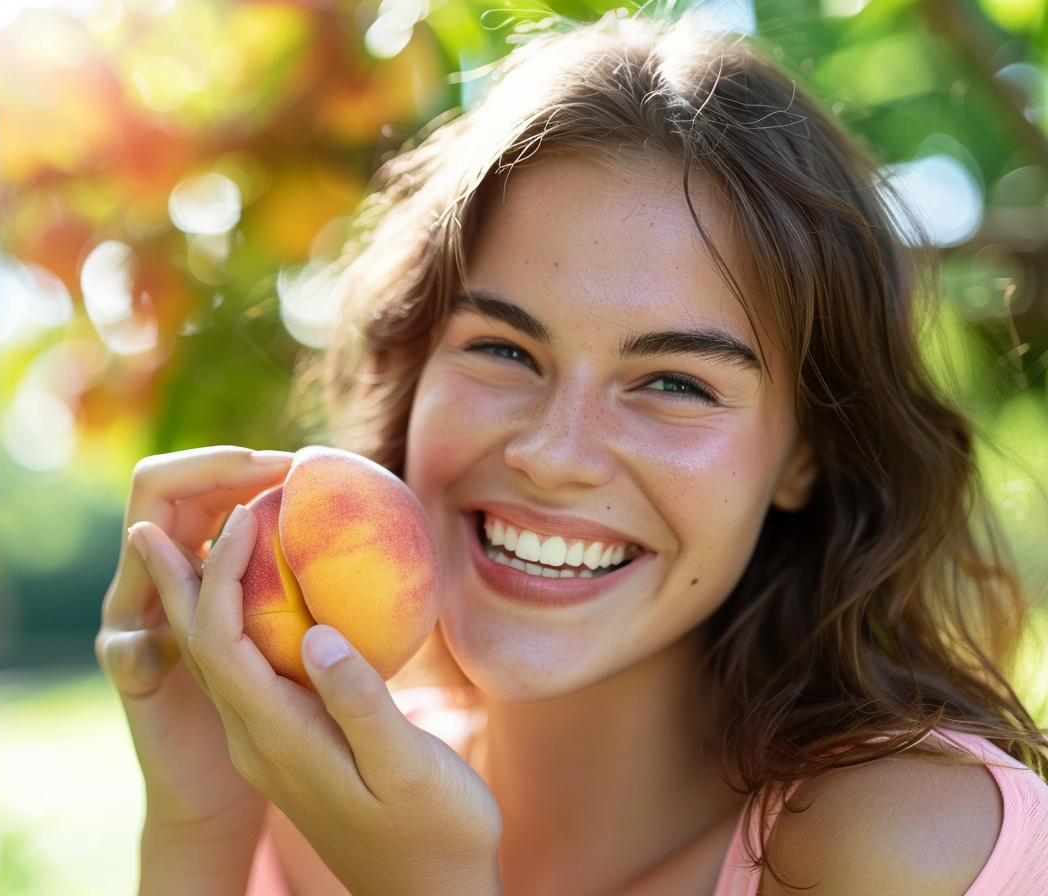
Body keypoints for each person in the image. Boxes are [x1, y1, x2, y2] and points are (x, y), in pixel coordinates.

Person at [95, 12, 1048, 896]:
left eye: (675, 382)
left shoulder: (907, 843)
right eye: (504, 351)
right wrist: (201, 819)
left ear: (806, 455)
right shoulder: (315, 808)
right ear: (416, 372)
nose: (554, 455)